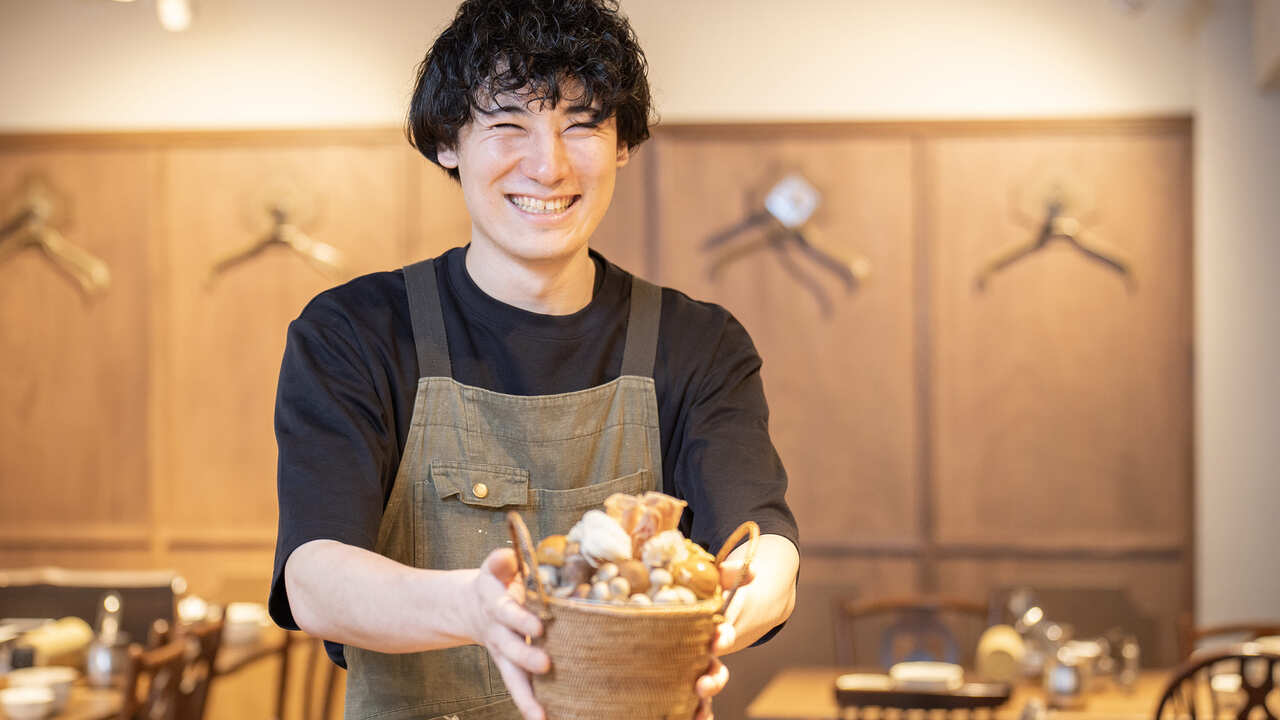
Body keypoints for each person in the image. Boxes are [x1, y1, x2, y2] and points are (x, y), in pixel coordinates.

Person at [269, 1, 800, 718]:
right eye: (508, 124)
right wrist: (476, 607)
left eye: (582, 124)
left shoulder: (699, 344)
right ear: (448, 143)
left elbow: (766, 552)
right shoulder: (354, 334)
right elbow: (315, 579)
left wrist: (707, 625)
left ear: (620, 146)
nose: (548, 166)